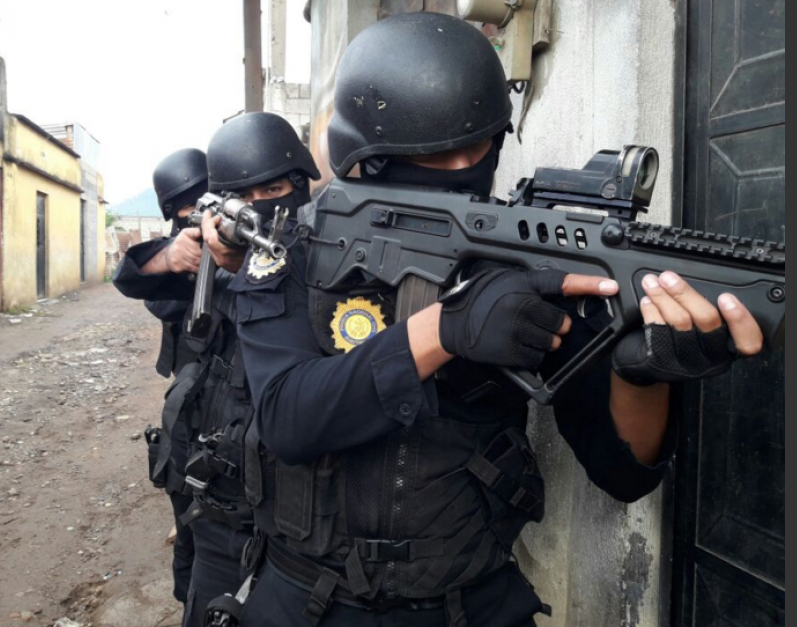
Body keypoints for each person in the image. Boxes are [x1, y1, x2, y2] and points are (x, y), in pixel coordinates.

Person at [228, 13, 766, 627]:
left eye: (477, 143)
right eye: (432, 151)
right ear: (367, 155)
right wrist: (446, 330)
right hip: (302, 602)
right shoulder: (293, 252)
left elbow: (623, 472)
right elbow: (288, 420)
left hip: (471, 606)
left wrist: (643, 372)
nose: (462, 164)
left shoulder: (528, 262)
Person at [114, 121, 320, 626]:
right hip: (222, 495)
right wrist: (177, 254)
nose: (260, 206)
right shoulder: (217, 257)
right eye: (243, 196)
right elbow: (132, 277)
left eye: (274, 190)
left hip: (301, 500)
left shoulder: (321, 247)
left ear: (300, 182)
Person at [140, 149, 210, 608]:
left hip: (230, 377)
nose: (200, 205)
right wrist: (181, 263)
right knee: (186, 479)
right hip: (190, 376)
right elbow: (153, 297)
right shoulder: (177, 244)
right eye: (189, 202)